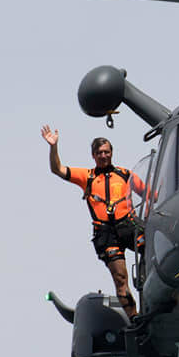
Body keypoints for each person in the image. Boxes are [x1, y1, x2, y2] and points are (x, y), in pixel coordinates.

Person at [41, 124, 145, 320]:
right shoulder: (87, 177)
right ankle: (135, 320)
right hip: (106, 233)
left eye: (106, 152)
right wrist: (53, 147)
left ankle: (155, 292)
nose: (103, 156)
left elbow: (151, 194)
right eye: (99, 153)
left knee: (152, 248)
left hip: (128, 226)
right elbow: (57, 169)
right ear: (93, 156)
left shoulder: (125, 174)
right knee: (120, 279)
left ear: (112, 153)